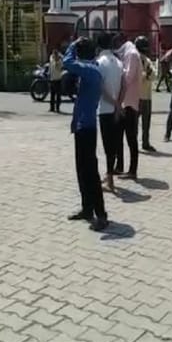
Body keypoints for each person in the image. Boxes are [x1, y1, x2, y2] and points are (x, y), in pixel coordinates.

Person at [62, 37, 108, 232]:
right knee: (82, 170)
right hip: (82, 126)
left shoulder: (90, 70)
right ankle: (87, 209)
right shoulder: (91, 69)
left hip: (87, 128)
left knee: (91, 173)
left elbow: (67, 62)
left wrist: (72, 44)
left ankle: (101, 215)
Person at [96, 33, 124, 193]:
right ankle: (109, 174)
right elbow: (124, 85)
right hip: (117, 110)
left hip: (105, 109)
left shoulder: (100, 63)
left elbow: (100, 88)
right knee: (114, 144)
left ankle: (110, 180)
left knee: (108, 145)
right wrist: (119, 104)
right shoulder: (118, 63)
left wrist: (113, 103)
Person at [114, 38, 143, 179]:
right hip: (126, 103)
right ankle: (119, 166)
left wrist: (118, 72)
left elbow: (128, 77)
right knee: (119, 137)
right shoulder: (129, 53)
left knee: (131, 138)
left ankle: (132, 170)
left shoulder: (131, 54)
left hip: (129, 104)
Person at [136, 37, 156, 152]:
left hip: (147, 96)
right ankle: (134, 143)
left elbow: (153, 75)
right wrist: (146, 75)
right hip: (137, 96)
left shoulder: (147, 60)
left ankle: (145, 142)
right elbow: (137, 76)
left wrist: (147, 75)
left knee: (146, 123)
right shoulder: (134, 59)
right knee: (134, 123)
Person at [49, 48, 63, 113]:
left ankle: (57, 108)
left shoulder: (60, 62)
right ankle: (52, 108)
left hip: (58, 80)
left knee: (58, 95)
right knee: (52, 95)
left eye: (55, 55)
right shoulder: (51, 59)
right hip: (52, 79)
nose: (54, 56)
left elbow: (59, 68)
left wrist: (57, 61)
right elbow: (50, 65)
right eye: (53, 55)